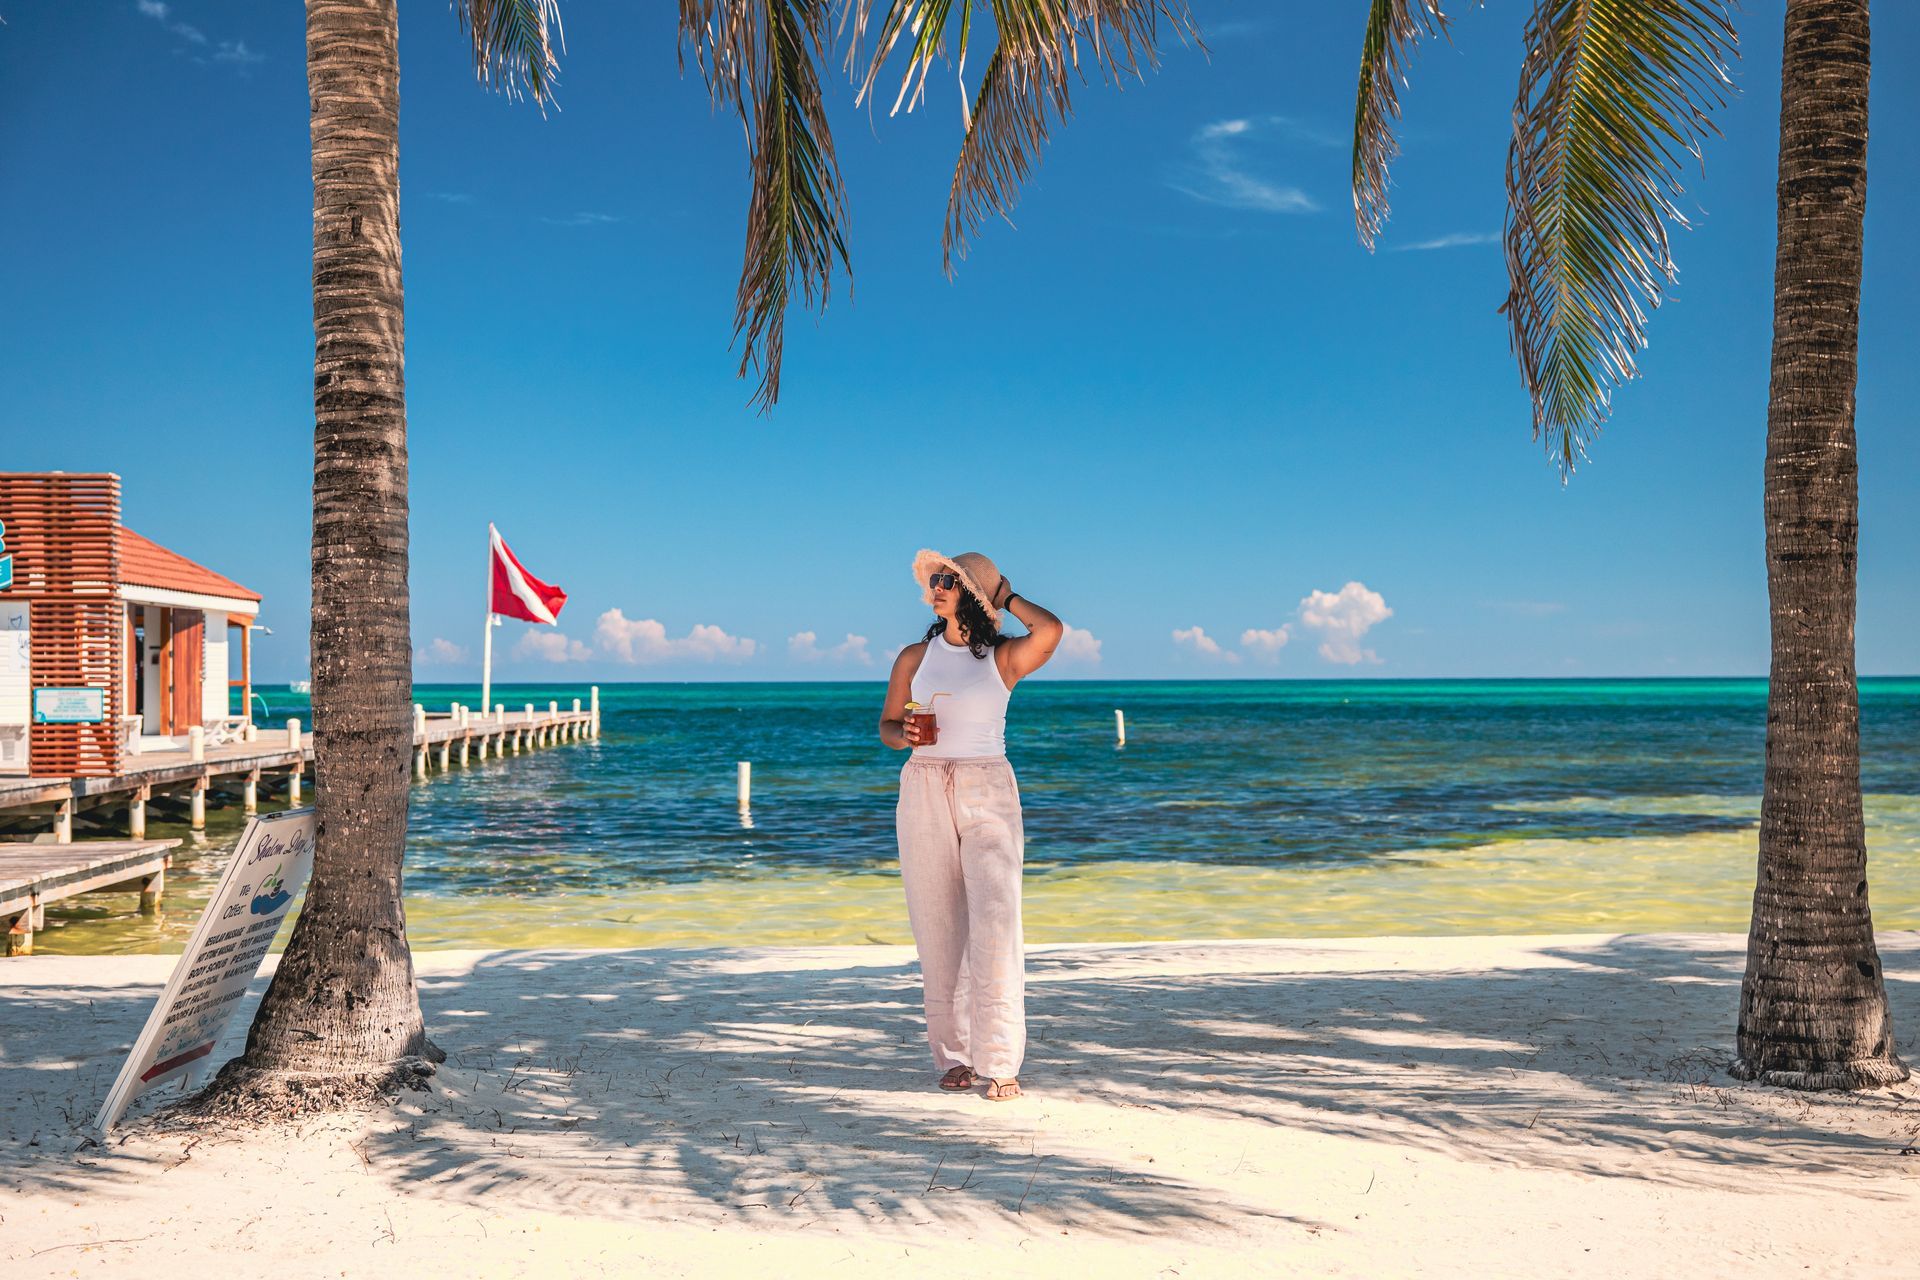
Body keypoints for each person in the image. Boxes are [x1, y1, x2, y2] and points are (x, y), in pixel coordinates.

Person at [878, 550, 1062, 1101]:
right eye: (934, 580)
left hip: (988, 790)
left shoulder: (1004, 658)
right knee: (938, 925)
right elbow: (886, 726)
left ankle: (1000, 1060)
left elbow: (1051, 630)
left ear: (973, 596)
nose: (934, 587)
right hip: (923, 786)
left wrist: (1004, 594)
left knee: (997, 921)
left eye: (947, 581)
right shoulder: (915, 656)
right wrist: (903, 733)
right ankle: (956, 1056)